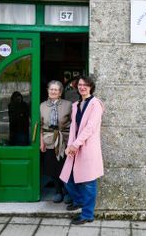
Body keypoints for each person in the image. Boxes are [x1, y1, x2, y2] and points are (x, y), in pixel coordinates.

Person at [60, 76, 105, 225]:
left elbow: (90, 128)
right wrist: (70, 145)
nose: (82, 87)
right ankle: (79, 201)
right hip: (75, 147)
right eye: (80, 85)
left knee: (88, 182)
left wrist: (76, 144)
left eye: (85, 85)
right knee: (68, 179)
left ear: (91, 87)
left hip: (87, 148)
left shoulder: (95, 104)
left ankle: (87, 215)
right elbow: (74, 127)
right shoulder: (76, 105)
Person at [40, 81, 72, 203]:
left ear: (60, 92)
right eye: (51, 89)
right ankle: (58, 191)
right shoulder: (42, 106)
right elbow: (40, 126)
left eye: (56, 89)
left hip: (64, 140)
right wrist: (41, 142)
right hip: (49, 141)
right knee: (53, 168)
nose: (53, 91)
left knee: (66, 167)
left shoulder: (68, 105)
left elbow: (74, 124)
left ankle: (68, 191)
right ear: (48, 91)